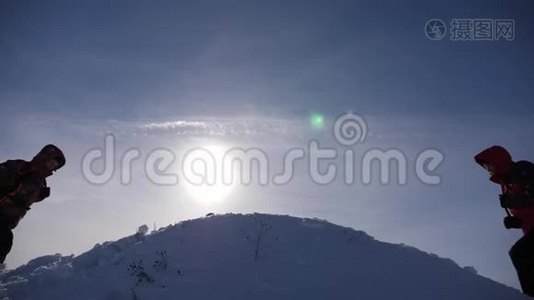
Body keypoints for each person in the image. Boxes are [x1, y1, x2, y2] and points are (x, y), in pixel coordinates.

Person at [475, 145, 534, 296]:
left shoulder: (522, 169)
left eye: (489, 164)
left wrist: (511, 202)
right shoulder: (506, 184)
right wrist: (516, 221)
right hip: (530, 229)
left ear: (499, 161)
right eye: (485, 167)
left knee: (519, 253)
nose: (488, 169)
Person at [0, 144, 65, 264]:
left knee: (4, 241)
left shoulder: (40, 183)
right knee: (4, 239)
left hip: (7, 220)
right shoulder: (20, 167)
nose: (51, 167)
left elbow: (22, 198)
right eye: (51, 163)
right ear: (44, 158)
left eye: (54, 166)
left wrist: (39, 196)